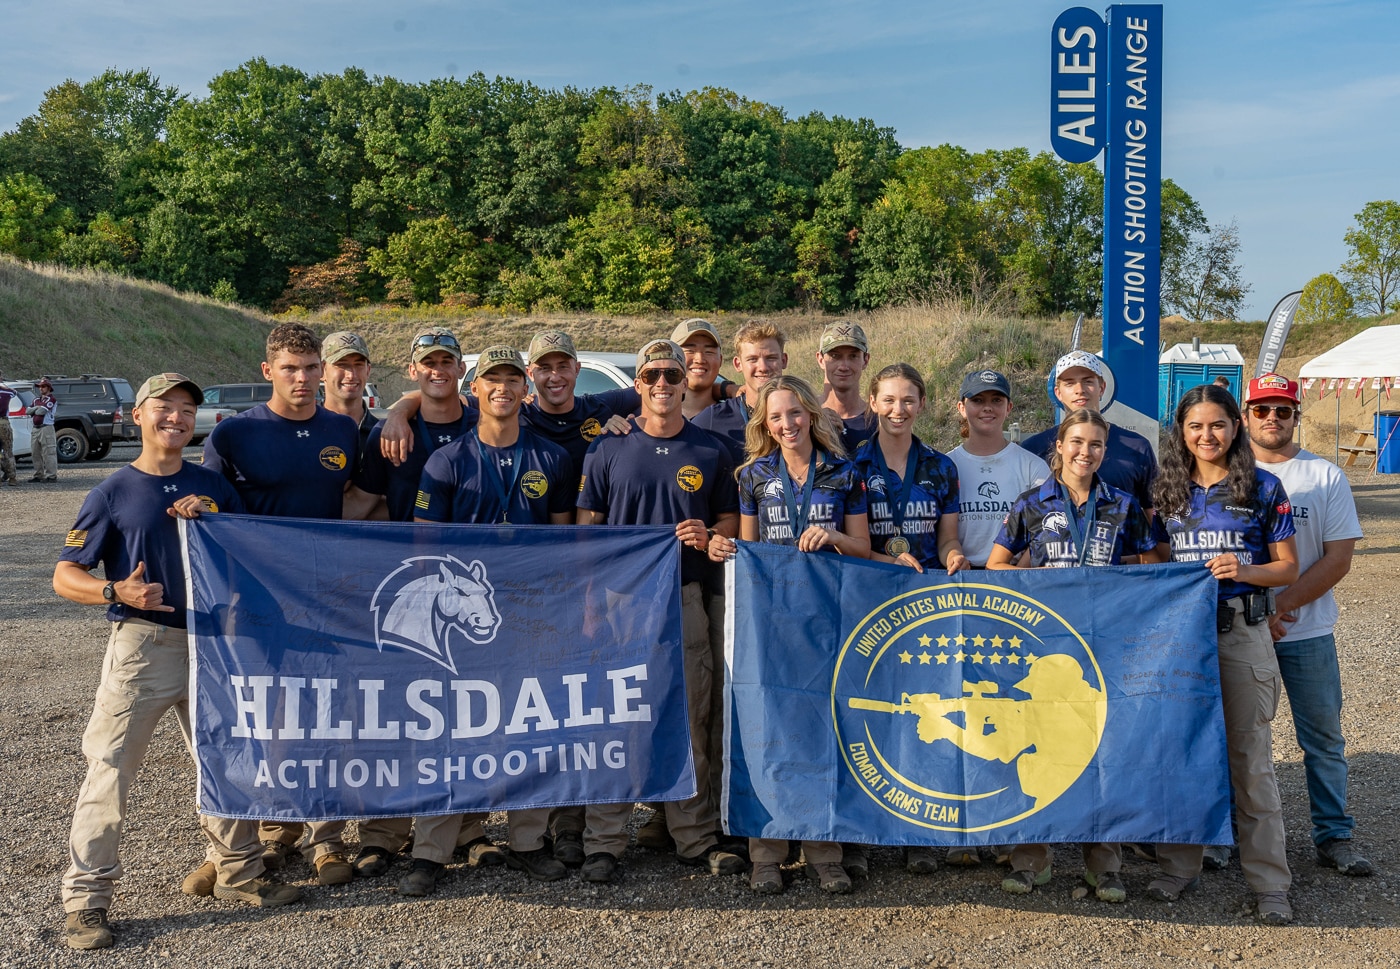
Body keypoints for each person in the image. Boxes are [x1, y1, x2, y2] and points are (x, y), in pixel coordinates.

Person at [54, 373, 298, 950]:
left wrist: (216, 516)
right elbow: (65, 576)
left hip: (214, 645)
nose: (176, 418)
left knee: (227, 761)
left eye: (187, 409)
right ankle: (87, 900)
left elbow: (253, 554)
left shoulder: (212, 485)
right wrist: (116, 591)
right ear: (138, 416)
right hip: (145, 645)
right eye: (164, 408)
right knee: (110, 768)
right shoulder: (112, 491)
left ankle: (238, 873)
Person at [202, 322, 368, 885]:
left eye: (310, 367)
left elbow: (359, 500)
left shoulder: (341, 430)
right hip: (253, 602)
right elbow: (209, 509)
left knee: (326, 712)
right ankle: (271, 829)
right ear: (268, 371)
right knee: (262, 717)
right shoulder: (234, 435)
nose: (301, 378)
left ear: (323, 370)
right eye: (290, 369)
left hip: (323, 597)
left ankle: (327, 838)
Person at [577, 339, 745, 883]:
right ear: (639, 383)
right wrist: (589, 609)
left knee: (692, 717)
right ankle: (605, 839)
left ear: (682, 381)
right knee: (617, 720)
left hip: (685, 598)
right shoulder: (608, 449)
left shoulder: (710, 450)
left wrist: (710, 536)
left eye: (672, 375)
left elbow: (731, 524)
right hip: (621, 603)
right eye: (651, 376)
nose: (663, 385)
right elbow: (587, 535)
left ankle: (694, 837)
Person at [411, 345, 577, 892]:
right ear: (473, 389)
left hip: (529, 614)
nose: (502, 388)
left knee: (528, 726)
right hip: (464, 624)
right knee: (452, 730)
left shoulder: (551, 459)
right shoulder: (447, 461)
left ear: (525, 390)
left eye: (512, 379)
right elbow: (425, 549)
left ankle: (528, 841)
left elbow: (562, 542)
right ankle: (430, 849)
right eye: (492, 379)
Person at [986, 408, 1167, 902]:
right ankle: (1031, 860)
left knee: (1104, 751)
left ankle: (1104, 865)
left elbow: (1156, 563)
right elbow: (997, 564)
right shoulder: (1032, 502)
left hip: (1107, 645)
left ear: (1104, 452)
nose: (1085, 452)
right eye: (1077, 442)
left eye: (1096, 445)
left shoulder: (1124, 505)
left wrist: (1109, 574)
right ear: (1059, 447)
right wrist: (1038, 582)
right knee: (1041, 747)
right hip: (1046, 651)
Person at [708, 374, 869, 895]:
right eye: (775, 417)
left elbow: (864, 549)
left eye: (795, 413)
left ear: (812, 415)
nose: (786, 424)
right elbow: (749, 552)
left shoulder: (845, 473)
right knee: (767, 728)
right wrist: (722, 547)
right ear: (764, 423)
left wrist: (835, 535)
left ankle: (824, 850)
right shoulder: (754, 475)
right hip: (772, 620)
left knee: (826, 729)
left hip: (829, 619)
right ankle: (767, 852)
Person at [1148, 383, 1300, 925]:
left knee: (1250, 760)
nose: (1206, 436)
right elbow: (1157, 559)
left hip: (1240, 631)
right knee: (1182, 752)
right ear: (1181, 433)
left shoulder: (1263, 485)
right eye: (1195, 426)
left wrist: (1246, 570)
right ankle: (1178, 865)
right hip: (1181, 639)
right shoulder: (1165, 489)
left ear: (1235, 427)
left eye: (1217, 424)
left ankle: (1269, 884)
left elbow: (1288, 567)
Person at [347, 327, 492, 879]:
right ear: (413, 369)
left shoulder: (487, 419)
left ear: (461, 369)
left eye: (447, 362)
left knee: (473, 714)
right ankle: (383, 831)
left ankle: (470, 828)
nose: (438, 371)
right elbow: (361, 501)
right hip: (405, 589)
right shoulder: (386, 433)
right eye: (427, 363)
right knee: (398, 712)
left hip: (473, 592)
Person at [1244, 373, 1373, 877]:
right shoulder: (1224, 476)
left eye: (1283, 410)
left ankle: (1334, 834)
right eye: (1261, 410)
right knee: (1235, 734)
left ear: (1297, 415)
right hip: (1236, 629)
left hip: (1306, 631)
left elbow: (1339, 557)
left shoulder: (1324, 476)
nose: (1272, 419)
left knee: (1321, 737)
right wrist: (1256, 614)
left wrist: (1281, 607)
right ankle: (1224, 835)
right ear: (1246, 415)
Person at [850, 362, 966, 877]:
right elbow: (849, 543)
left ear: (923, 404)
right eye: (889, 400)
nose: (898, 410)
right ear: (872, 402)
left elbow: (946, 537)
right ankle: (856, 835)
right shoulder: (849, 464)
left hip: (924, 606)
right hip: (863, 601)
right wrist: (885, 562)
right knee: (864, 712)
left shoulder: (941, 467)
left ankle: (919, 834)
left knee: (925, 714)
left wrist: (955, 554)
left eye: (909, 400)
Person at [1021, 351, 1156, 516]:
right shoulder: (1034, 449)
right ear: (1058, 392)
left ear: (1102, 388)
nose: (1080, 390)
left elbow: (1152, 516)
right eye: (1070, 383)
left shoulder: (1137, 447)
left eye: (1088, 381)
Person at [948, 370, 1050, 568]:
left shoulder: (1033, 466)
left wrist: (1017, 573)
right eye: (977, 400)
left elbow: (1044, 530)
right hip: (960, 577)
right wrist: (955, 559)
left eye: (996, 400)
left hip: (1015, 576)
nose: (987, 408)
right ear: (961, 407)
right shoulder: (946, 466)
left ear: (1009, 407)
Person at [692, 320, 787, 463]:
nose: (763, 367)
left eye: (771, 358)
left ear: (784, 360)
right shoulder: (713, 419)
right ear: (738, 364)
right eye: (752, 359)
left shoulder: (803, 416)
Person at [816, 321, 877, 454]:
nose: (844, 366)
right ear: (820, 359)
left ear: (865, 360)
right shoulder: (804, 416)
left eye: (853, 356)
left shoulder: (878, 420)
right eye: (834, 356)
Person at [320, 330, 378, 453]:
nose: (351, 375)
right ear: (322, 370)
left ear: (368, 370)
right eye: (341, 365)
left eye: (358, 365)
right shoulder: (307, 432)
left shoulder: (384, 434)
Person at [671, 318, 738, 419]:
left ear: (720, 360)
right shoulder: (648, 417)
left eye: (709, 352)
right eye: (690, 351)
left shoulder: (737, 418)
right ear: (670, 358)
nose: (700, 359)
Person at [29, 377, 58, 482]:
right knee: (35, 452)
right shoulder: (36, 400)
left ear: (49, 388)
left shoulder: (51, 399)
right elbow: (28, 411)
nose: (41, 388)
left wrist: (35, 409)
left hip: (46, 428)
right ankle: (38, 474)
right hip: (35, 428)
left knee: (49, 452)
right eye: (40, 386)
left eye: (43, 386)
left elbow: (41, 412)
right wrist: (36, 408)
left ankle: (51, 475)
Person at [0, 371, 19, 485]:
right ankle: (12, 478)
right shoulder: (7, 391)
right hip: (3, 423)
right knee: (8, 451)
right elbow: (14, 393)